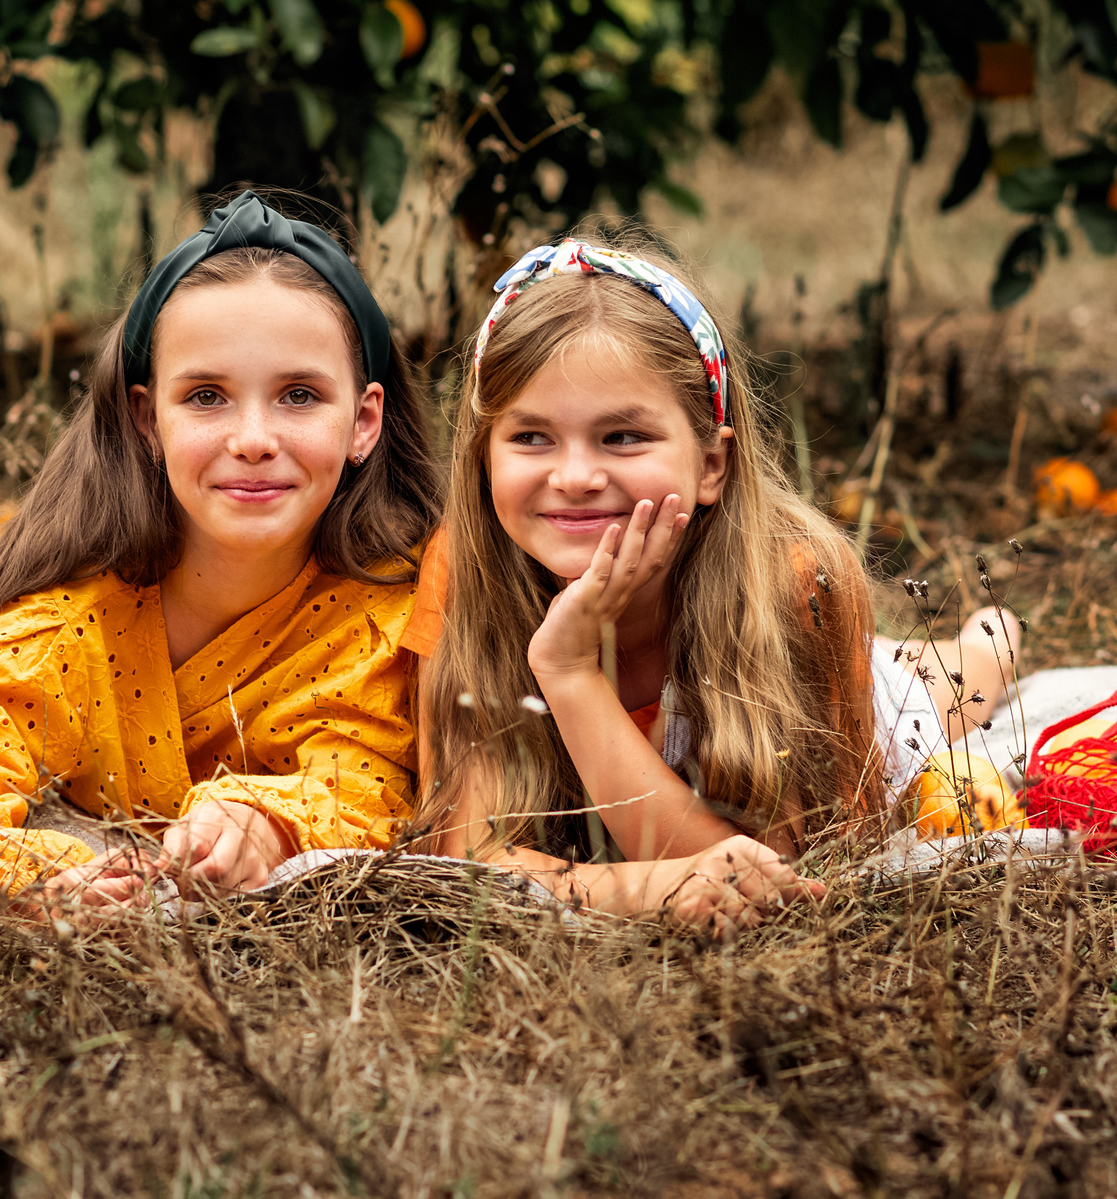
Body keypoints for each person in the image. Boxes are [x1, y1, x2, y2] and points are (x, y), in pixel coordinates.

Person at [404, 228, 1020, 935]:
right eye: (532, 437)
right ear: (483, 456)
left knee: (942, 691)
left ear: (710, 465)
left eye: (623, 436)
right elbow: (468, 863)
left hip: (861, 694)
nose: (573, 477)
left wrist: (569, 674)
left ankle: (992, 642)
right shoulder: (465, 569)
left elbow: (767, 876)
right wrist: (647, 889)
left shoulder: (793, 584)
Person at [0, 191, 439, 901]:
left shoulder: (392, 617)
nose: (253, 439)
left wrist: (267, 824)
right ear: (146, 419)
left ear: (364, 421)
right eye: (205, 396)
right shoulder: (52, 632)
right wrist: (49, 880)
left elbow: (371, 785)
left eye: (298, 395)